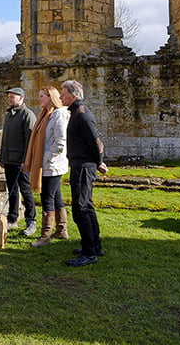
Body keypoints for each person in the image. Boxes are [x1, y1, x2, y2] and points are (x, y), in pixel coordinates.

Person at [60, 80, 108, 267]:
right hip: (81, 165)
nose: (61, 97)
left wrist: (100, 161)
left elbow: (96, 141)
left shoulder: (81, 115)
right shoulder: (76, 113)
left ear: (73, 96)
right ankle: (94, 246)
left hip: (83, 166)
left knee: (80, 209)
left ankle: (89, 253)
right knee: (86, 205)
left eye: (63, 94)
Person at [24, 86, 69, 247]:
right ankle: (62, 230)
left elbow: (60, 142)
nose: (39, 99)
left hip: (51, 165)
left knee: (47, 198)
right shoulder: (45, 115)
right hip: (46, 164)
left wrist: (44, 158)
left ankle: (45, 236)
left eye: (42, 96)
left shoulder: (58, 115)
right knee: (56, 196)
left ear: (51, 97)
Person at [0, 87, 37, 236]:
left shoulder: (27, 115)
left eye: (12, 97)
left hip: (21, 162)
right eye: (8, 97)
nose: (9, 99)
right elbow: (5, 139)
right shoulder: (9, 115)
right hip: (9, 160)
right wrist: (3, 157)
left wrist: (25, 161)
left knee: (26, 191)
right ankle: (12, 219)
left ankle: (31, 221)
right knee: (12, 191)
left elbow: (30, 140)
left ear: (21, 98)